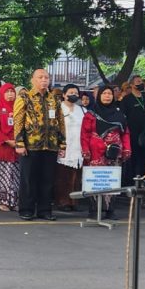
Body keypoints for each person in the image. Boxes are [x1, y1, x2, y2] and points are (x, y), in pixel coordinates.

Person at [14, 69, 65, 221]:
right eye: (40, 77)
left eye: (46, 77)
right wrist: (19, 142)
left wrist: (62, 144)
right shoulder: (25, 97)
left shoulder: (54, 98)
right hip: (30, 145)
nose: (44, 80)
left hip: (50, 145)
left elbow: (60, 122)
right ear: (33, 80)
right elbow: (18, 121)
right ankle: (26, 209)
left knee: (47, 179)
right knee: (29, 179)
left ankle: (44, 210)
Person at [86, 86, 131, 219]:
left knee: (112, 180)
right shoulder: (91, 114)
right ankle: (94, 210)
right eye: (104, 93)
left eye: (110, 94)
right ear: (98, 96)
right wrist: (85, 150)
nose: (107, 96)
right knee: (95, 181)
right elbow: (85, 134)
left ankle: (110, 210)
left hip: (114, 153)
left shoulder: (119, 114)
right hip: (95, 152)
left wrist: (127, 149)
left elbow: (125, 133)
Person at [54, 84, 91, 212]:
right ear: (64, 95)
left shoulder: (82, 110)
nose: (73, 95)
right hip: (64, 146)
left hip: (78, 146)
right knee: (63, 176)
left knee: (76, 176)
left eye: (75, 92)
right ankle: (62, 201)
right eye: (70, 92)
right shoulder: (58, 109)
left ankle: (74, 201)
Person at [0, 83, 19, 212]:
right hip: (2, 147)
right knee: (3, 177)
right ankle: (2, 201)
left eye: (12, 91)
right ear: (2, 93)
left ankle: (14, 201)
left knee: (16, 176)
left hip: (17, 148)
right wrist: (7, 140)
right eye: (7, 92)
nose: (10, 94)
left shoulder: (19, 108)